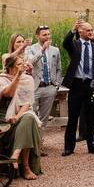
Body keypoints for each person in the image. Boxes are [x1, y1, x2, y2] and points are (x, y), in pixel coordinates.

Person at [0, 54, 43, 179]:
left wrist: (16, 117)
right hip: (3, 117)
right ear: (10, 67)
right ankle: (26, 169)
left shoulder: (28, 79)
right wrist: (17, 76)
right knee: (30, 122)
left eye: (23, 63)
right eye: (18, 64)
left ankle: (16, 156)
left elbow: (26, 103)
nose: (22, 66)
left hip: (20, 115)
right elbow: (8, 93)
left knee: (29, 118)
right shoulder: (0, 79)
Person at [61, 19, 94, 156]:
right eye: (88, 30)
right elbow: (65, 43)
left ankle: (92, 146)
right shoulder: (74, 45)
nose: (91, 32)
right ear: (80, 31)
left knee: (91, 117)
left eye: (92, 30)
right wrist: (72, 30)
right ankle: (69, 147)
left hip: (90, 85)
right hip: (76, 84)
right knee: (73, 117)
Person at [26, 25, 61, 154]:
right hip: (35, 87)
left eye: (48, 34)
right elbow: (30, 62)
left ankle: (40, 144)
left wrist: (56, 85)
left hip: (49, 87)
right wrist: (42, 51)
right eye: (44, 35)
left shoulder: (55, 50)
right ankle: (31, 144)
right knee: (32, 116)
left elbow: (58, 68)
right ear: (37, 36)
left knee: (44, 118)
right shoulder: (30, 49)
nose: (47, 37)